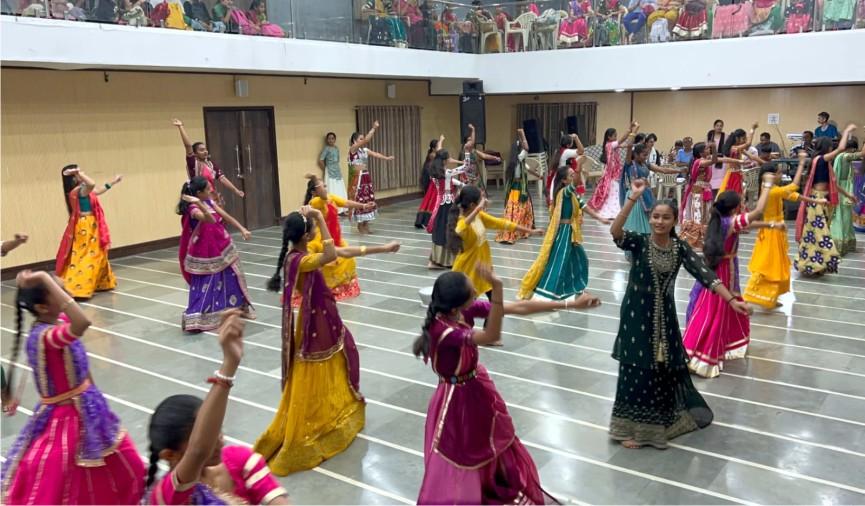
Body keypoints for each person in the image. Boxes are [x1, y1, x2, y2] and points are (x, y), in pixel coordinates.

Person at [413, 268, 598, 504]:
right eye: (472, 291)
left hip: (474, 387)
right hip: (456, 400)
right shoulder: (444, 331)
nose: (476, 292)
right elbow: (491, 336)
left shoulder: (459, 311)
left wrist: (569, 304)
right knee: (466, 452)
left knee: (489, 442)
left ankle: (489, 483)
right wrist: (497, 288)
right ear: (455, 306)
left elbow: (518, 307)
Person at [609, 180, 749, 449]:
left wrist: (732, 300)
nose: (659, 222)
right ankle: (629, 426)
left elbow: (705, 273)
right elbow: (616, 232)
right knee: (635, 370)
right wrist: (633, 198)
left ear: (674, 221)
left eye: (665, 218)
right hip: (635, 317)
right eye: (655, 217)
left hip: (664, 318)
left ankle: (654, 425)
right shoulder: (639, 242)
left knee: (661, 369)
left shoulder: (679, 248)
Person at [2, 270, 145, 504]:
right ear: (42, 307)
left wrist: (96, 398)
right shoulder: (47, 336)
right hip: (65, 415)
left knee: (121, 461)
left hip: (89, 405)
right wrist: (43, 277)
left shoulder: (59, 323)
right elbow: (83, 322)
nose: (67, 295)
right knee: (66, 476)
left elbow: (82, 363)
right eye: (60, 292)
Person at [255, 208, 365, 475]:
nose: (316, 229)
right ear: (306, 236)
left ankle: (333, 412)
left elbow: (335, 253)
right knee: (315, 369)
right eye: (313, 228)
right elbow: (330, 254)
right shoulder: (301, 260)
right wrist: (319, 217)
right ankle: (312, 427)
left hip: (322, 313)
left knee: (340, 357)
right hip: (315, 320)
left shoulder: (297, 256)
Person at [146, 312, 289, 505]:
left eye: (216, 431)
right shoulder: (167, 496)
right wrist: (229, 365)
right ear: (170, 455)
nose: (219, 439)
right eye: (208, 435)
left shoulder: (238, 460)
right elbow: (199, 451)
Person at [683, 179, 774, 378]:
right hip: (725, 270)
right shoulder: (732, 222)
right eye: (741, 204)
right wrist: (767, 185)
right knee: (716, 309)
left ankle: (718, 345)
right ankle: (701, 355)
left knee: (711, 306)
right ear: (734, 208)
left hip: (715, 267)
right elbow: (757, 212)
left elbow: (750, 222)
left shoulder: (718, 221)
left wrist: (770, 224)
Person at [280, 175, 399, 303]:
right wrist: (318, 214)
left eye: (325, 185)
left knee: (346, 257)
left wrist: (363, 206)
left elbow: (346, 203)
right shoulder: (315, 202)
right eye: (322, 186)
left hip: (332, 236)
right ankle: (321, 288)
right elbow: (336, 252)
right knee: (334, 259)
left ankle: (334, 286)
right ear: (314, 192)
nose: (325, 188)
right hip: (321, 238)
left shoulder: (330, 198)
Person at [519, 165, 610, 301]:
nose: (574, 177)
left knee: (580, 258)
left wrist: (600, 218)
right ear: (564, 181)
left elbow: (584, 207)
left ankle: (573, 286)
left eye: (574, 174)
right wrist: (579, 168)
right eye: (571, 175)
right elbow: (576, 183)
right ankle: (549, 290)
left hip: (571, 232)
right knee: (559, 261)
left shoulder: (572, 194)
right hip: (564, 233)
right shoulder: (564, 192)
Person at [178, 177, 255, 331]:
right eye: (207, 189)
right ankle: (199, 319)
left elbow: (225, 216)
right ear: (198, 193)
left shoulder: (208, 201)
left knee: (233, 276)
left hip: (222, 245)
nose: (211, 190)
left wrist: (242, 229)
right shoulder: (193, 209)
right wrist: (199, 203)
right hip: (205, 253)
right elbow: (211, 219)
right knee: (207, 285)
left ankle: (238, 309)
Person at [448, 185, 542, 301]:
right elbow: (459, 230)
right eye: (481, 200)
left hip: (483, 267)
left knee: (495, 302)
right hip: (468, 269)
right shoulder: (461, 221)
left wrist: (530, 231)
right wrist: (478, 209)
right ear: (473, 205)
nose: (484, 202)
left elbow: (502, 223)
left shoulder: (479, 216)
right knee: (467, 304)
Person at [743, 153, 808, 309]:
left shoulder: (771, 189)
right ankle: (749, 295)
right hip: (771, 231)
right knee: (767, 264)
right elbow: (794, 186)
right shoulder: (772, 191)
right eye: (778, 173)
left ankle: (770, 297)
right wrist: (801, 163)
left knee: (775, 264)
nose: (780, 175)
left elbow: (792, 195)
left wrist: (814, 200)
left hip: (775, 231)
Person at [794, 124, 857, 276]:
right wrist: (847, 131)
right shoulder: (821, 159)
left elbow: (833, 184)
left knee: (816, 234)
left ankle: (816, 265)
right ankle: (823, 260)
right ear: (827, 148)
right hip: (817, 201)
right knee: (819, 234)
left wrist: (848, 195)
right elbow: (841, 149)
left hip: (823, 201)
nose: (832, 148)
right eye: (830, 146)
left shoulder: (824, 162)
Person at [55, 165, 121, 299]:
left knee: (98, 252)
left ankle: (102, 282)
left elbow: (98, 190)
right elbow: (92, 183)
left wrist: (113, 182)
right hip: (86, 226)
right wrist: (79, 173)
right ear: (74, 178)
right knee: (88, 255)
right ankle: (77, 287)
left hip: (89, 224)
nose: (82, 172)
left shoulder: (82, 189)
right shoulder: (79, 191)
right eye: (79, 172)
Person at [620, 143, 683, 241]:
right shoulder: (630, 163)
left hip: (646, 193)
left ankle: (648, 240)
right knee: (637, 220)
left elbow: (662, 170)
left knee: (648, 217)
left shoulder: (645, 164)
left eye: (647, 155)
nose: (646, 157)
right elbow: (629, 148)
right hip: (635, 196)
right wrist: (632, 136)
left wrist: (679, 171)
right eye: (644, 155)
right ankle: (636, 241)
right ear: (635, 154)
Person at [172, 119, 245, 204]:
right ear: (195, 154)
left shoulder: (210, 164)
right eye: (201, 150)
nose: (205, 151)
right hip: (200, 200)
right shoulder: (193, 163)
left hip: (212, 198)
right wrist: (181, 126)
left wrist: (236, 190)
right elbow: (188, 146)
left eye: (205, 149)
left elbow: (223, 179)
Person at [348, 121, 395, 234]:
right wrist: (373, 128)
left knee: (368, 199)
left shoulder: (364, 150)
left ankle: (366, 224)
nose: (362, 140)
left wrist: (386, 158)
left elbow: (376, 154)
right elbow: (366, 140)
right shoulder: (353, 149)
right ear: (354, 141)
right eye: (360, 139)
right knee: (359, 200)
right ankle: (360, 225)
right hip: (357, 179)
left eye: (362, 139)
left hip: (365, 177)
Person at [587, 121, 640, 220]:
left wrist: (635, 144)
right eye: (614, 135)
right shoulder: (610, 145)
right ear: (609, 137)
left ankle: (618, 208)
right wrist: (631, 129)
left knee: (615, 190)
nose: (616, 137)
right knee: (614, 190)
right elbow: (622, 140)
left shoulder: (612, 145)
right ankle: (615, 209)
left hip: (615, 172)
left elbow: (625, 144)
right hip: (612, 174)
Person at [496, 129, 539, 244]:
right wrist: (522, 134)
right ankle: (515, 231)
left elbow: (528, 168)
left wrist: (538, 176)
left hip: (517, 187)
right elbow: (527, 148)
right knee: (518, 209)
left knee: (521, 208)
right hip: (519, 188)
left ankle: (521, 229)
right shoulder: (519, 158)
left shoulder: (518, 161)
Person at [680, 142, 726, 249]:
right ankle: (696, 240)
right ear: (701, 153)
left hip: (703, 190)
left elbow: (720, 159)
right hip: (699, 192)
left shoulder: (704, 160)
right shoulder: (700, 162)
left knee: (704, 214)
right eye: (706, 149)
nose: (708, 150)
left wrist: (738, 161)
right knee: (699, 214)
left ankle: (702, 239)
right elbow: (714, 161)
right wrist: (714, 148)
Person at [427, 149, 465, 269]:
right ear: (444, 160)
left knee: (439, 230)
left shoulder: (434, 171)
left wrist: (460, 184)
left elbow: (449, 180)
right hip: (448, 204)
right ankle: (448, 260)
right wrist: (467, 153)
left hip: (438, 204)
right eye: (448, 158)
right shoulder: (447, 172)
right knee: (449, 229)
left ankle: (436, 259)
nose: (449, 160)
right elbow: (466, 168)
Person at [829, 138, 864, 255]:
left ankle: (844, 242)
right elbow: (862, 154)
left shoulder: (839, 156)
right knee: (842, 217)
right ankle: (840, 242)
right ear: (852, 149)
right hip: (843, 190)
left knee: (844, 217)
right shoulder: (845, 157)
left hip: (840, 189)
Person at [717, 124, 757, 202]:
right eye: (743, 138)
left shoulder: (739, 148)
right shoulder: (734, 148)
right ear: (737, 138)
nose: (745, 140)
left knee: (738, 193)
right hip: (733, 175)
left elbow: (751, 157)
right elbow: (748, 144)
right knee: (735, 194)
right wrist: (752, 129)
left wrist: (760, 162)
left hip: (737, 173)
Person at [459, 123, 501, 195]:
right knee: (467, 192)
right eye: (469, 140)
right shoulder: (465, 148)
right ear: (465, 142)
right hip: (466, 174)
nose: (471, 142)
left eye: (471, 140)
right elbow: (473, 142)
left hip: (475, 174)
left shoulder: (473, 150)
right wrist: (473, 130)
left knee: (478, 192)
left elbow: (484, 156)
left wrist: (495, 157)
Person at [548, 133, 586, 205]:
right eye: (572, 142)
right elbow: (581, 151)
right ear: (568, 145)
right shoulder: (566, 152)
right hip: (564, 177)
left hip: (558, 176)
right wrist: (576, 138)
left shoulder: (558, 151)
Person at [319, 132, 348, 214]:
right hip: (330, 172)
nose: (331, 140)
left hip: (337, 171)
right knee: (332, 189)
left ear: (335, 140)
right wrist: (326, 169)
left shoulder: (336, 148)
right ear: (327, 140)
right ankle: (334, 210)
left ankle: (342, 209)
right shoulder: (326, 149)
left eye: (332, 138)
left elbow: (337, 160)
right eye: (329, 138)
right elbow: (320, 160)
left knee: (340, 189)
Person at [415, 139, 440, 229]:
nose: (439, 148)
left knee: (430, 199)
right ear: (433, 148)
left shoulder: (434, 155)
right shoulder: (433, 155)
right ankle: (426, 220)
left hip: (433, 178)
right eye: (437, 146)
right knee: (430, 199)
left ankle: (426, 220)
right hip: (432, 179)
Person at [706, 119, 726, 191]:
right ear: (714, 126)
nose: (719, 127)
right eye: (717, 125)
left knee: (721, 180)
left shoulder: (725, 136)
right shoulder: (710, 136)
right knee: (711, 177)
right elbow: (706, 147)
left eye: (721, 126)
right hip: (711, 159)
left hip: (721, 159)